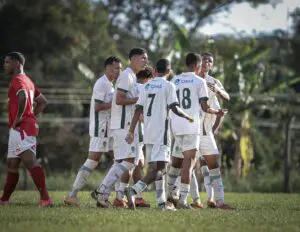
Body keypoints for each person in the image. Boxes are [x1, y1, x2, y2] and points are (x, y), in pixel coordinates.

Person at [124, 59, 194, 211]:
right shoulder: (169, 85)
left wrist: (131, 131)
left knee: (154, 170)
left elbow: (138, 110)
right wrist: (187, 116)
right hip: (161, 134)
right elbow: (174, 108)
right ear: (169, 72)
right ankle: (133, 190)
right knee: (160, 170)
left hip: (148, 133)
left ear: (154, 70)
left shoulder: (146, 86)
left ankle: (161, 203)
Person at [167, 53, 225, 209]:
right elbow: (204, 107)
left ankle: (167, 197)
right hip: (193, 127)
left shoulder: (175, 80)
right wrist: (216, 113)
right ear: (197, 65)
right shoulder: (200, 81)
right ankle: (183, 200)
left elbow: (170, 104)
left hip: (176, 127)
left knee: (176, 163)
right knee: (189, 163)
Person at [92, 48, 148, 208]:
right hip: (123, 126)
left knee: (124, 161)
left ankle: (103, 195)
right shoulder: (126, 76)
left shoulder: (130, 76)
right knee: (130, 161)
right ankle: (102, 190)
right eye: (143, 58)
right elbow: (119, 99)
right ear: (134, 58)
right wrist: (140, 100)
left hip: (123, 125)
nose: (146, 61)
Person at [64, 56, 122, 206]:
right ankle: (73, 195)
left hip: (108, 129)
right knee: (93, 160)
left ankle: (111, 196)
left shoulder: (110, 85)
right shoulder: (101, 83)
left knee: (120, 159)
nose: (119, 71)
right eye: (117, 68)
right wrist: (116, 103)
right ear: (108, 68)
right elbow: (98, 107)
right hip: (100, 128)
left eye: (120, 68)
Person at [0, 52, 51, 207]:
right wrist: (30, 115)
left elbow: (22, 97)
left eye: (8, 62)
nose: (5, 65)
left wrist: (20, 117)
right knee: (12, 164)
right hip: (20, 128)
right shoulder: (28, 80)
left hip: (21, 128)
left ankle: (45, 199)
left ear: (17, 64)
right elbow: (42, 101)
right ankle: (4, 199)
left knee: (29, 161)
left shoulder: (18, 80)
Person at [198, 52, 232, 209]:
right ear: (199, 62)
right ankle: (188, 198)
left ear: (212, 65)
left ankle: (214, 199)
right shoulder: (193, 79)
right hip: (190, 128)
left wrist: (218, 90)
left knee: (208, 162)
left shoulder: (214, 82)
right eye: (204, 60)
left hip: (205, 130)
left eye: (209, 61)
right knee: (190, 163)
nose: (206, 62)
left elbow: (226, 99)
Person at [130, 67, 154, 207]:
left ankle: (135, 197)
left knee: (138, 164)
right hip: (137, 130)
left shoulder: (134, 86)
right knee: (133, 164)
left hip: (136, 130)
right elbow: (140, 112)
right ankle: (131, 197)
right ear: (148, 78)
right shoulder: (143, 88)